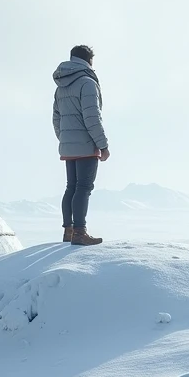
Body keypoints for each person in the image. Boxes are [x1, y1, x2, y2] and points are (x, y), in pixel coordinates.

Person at [53, 45, 110, 245]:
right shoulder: (87, 82)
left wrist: (65, 139)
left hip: (68, 145)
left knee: (71, 187)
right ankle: (80, 232)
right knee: (84, 188)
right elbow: (92, 117)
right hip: (86, 144)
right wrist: (103, 145)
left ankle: (68, 231)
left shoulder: (61, 85)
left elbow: (56, 118)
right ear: (89, 61)